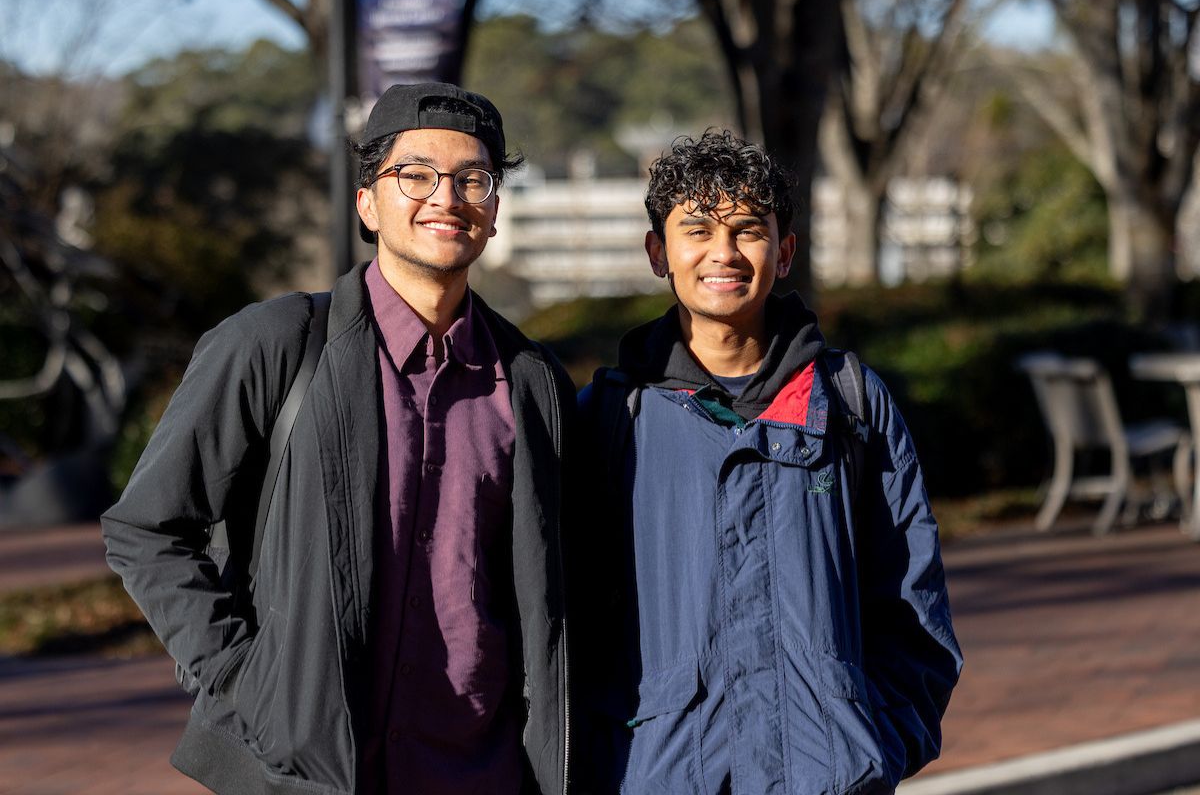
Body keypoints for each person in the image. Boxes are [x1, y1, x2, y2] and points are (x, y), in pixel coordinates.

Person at [102, 82, 576, 795]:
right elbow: (146, 528)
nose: (445, 198)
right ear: (367, 203)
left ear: (495, 209)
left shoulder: (534, 381)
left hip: (480, 770)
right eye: (415, 175)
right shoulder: (274, 345)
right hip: (304, 771)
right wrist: (246, 679)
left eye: (473, 179)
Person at [574, 130, 962, 794]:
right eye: (696, 229)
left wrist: (873, 745)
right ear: (657, 252)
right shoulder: (612, 418)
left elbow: (913, 610)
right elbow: (569, 622)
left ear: (783, 253)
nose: (722, 253)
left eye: (748, 230)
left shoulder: (850, 404)